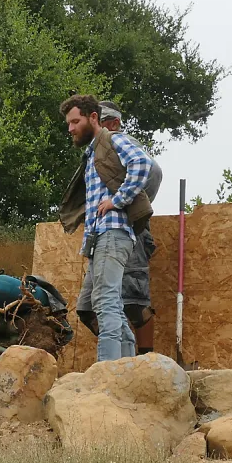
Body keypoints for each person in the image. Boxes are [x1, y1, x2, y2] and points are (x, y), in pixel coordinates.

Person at [57, 94, 153, 362]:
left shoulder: (112, 139)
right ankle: (125, 366)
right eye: (68, 123)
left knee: (107, 301)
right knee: (105, 302)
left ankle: (108, 370)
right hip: (102, 237)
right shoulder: (92, 154)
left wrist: (118, 200)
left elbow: (143, 163)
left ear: (94, 118)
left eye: (75, 121)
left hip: (114, 233)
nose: (71, 128)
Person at [84, 100, 163, 352]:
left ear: (114, 123)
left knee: (132, 300)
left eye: (101, 120)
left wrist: (122, 203)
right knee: (92, 305)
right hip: (102, 231)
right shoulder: (94, 151)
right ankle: (122, 356)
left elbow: (151, 171)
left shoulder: (120, 142)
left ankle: (141, 361)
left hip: (126, 227)